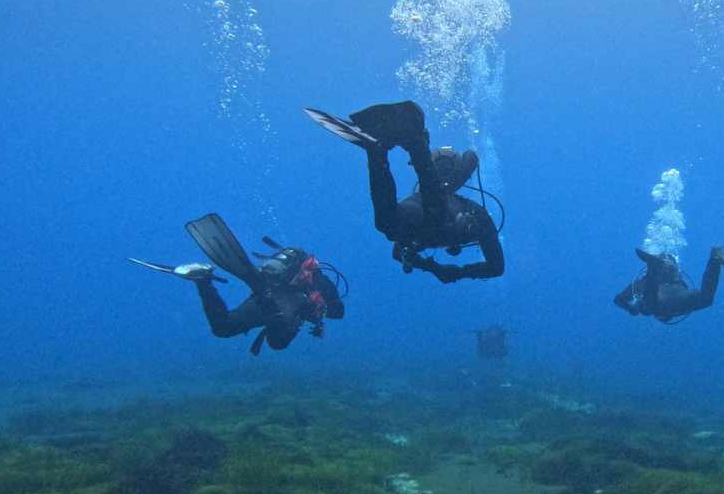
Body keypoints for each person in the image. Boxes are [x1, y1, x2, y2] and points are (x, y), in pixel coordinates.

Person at [304, 100, 504, 283]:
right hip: (428, 216)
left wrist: (436, 269)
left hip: (419, 217)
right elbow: (496, 267)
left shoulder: (476, 213)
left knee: (387, 226)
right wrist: (452, 271)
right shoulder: (476, 212)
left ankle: (377, 152)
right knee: (424, 218)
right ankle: (414, 143)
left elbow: (397, 253)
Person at [131, 213, 344, 354]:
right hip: (283, 303)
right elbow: (338, 312)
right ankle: (267, 304)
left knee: (224, 327)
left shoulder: (301, 277)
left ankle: (204, 281)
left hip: (268, 289)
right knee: (278, 342)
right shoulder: (320, 281)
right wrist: (316, 311)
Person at [613, 246, 724, 323]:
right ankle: (715, 258)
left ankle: (653, 268)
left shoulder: (640, 283)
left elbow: (619, 299)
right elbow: (618, 300)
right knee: (706, 298)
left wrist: (632, 309)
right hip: (679, 296)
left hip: (659, 298)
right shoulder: (672, 279)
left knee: (650, 306)